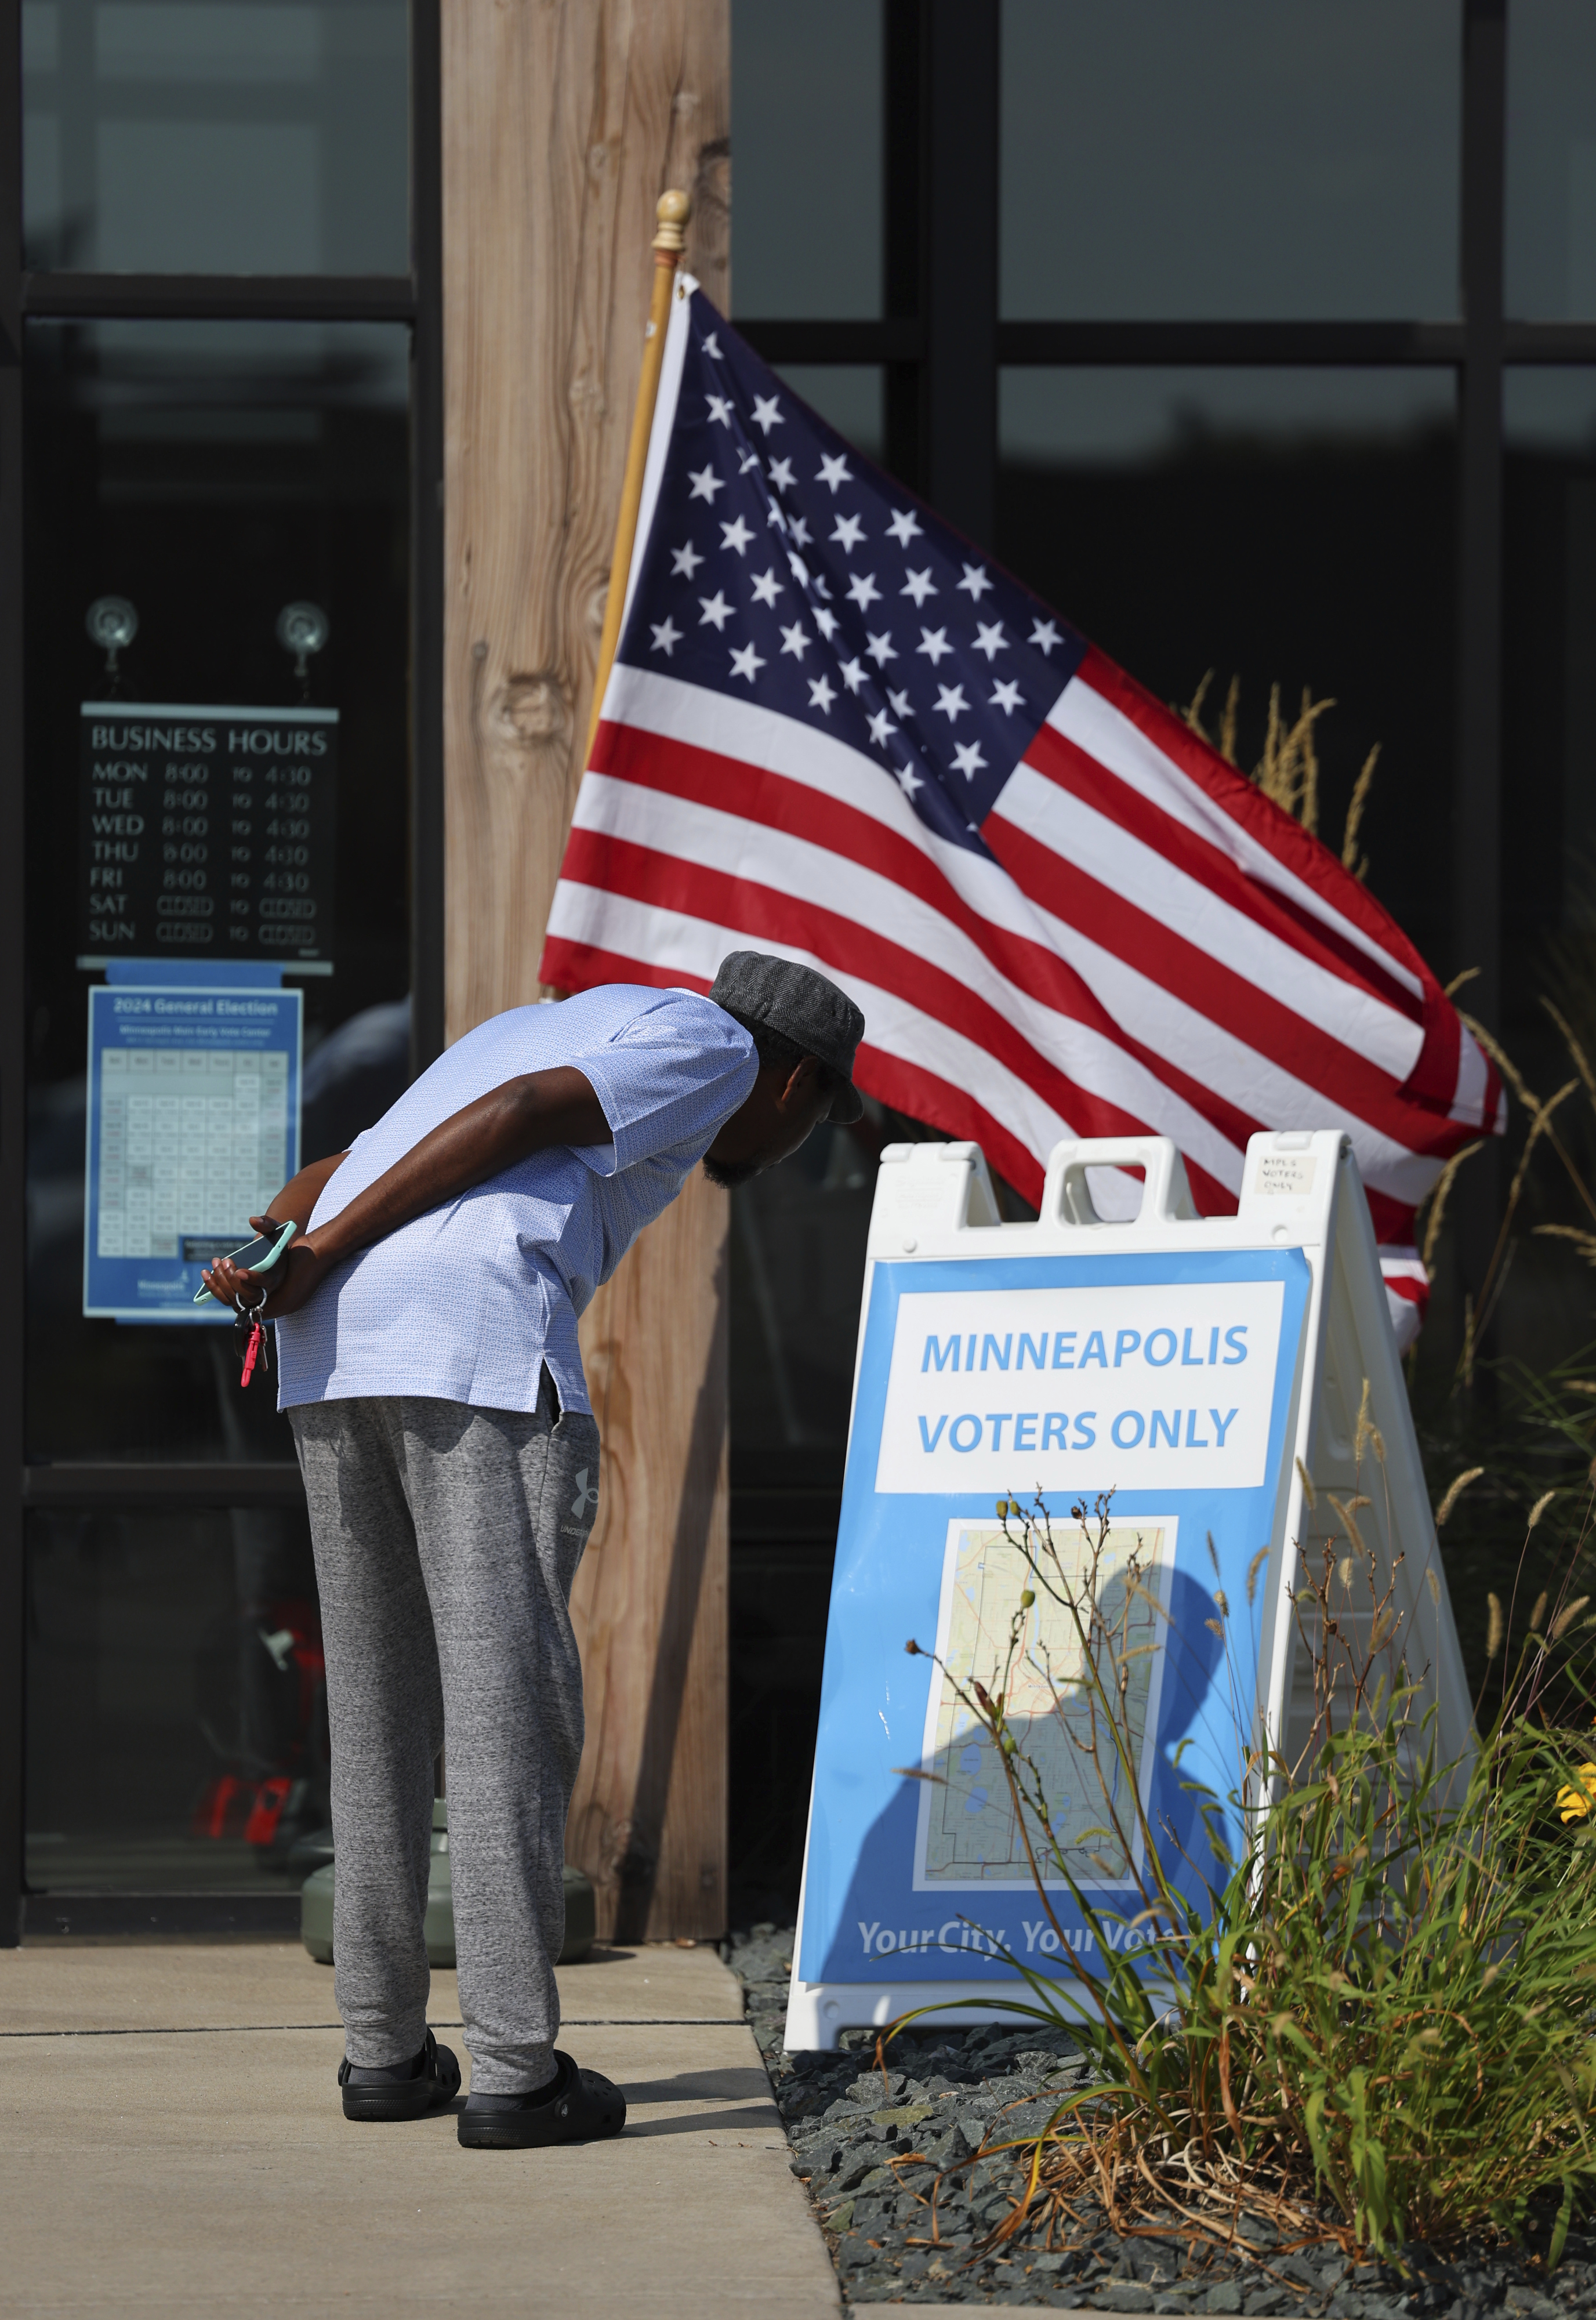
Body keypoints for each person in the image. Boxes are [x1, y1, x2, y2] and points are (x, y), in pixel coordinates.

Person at [201, 952, 865, 2150]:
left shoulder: (530, 1020)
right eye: (816, 1116)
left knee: (379, 1705)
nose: (792, 1142)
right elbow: (522, 1117)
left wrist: (286, 1251)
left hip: (337, 1344)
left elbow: (325, 1170)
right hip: (467, 1340)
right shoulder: (716, 1048)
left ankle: (384, 2051)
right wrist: (319, 1240)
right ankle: (513, 2068)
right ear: (798, 1077)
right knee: (507, 1700)